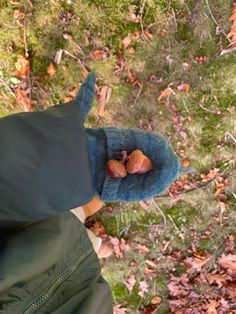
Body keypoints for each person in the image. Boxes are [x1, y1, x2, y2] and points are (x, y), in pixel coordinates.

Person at [0, 73, 181, 313]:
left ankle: (86, 224)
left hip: (50, 242)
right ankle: (90, 236)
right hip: (60, 249)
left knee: (71, 218)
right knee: (73, 220)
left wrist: (64, 163)